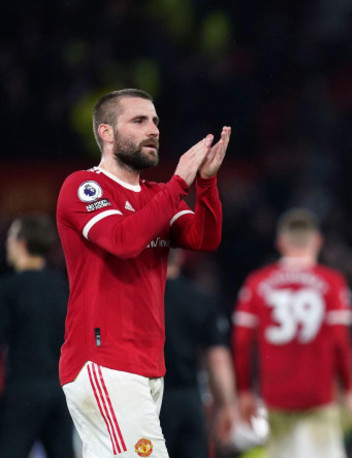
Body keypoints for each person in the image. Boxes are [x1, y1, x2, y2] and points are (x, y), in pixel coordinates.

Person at [56, 88, 230, 457]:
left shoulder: (156, 195)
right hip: (104, 360)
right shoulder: (84, 187)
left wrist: (206, 182)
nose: (153, 129)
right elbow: (123, 240)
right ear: (106, 132)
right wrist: (179, 183)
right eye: (138, 121)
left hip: (148, 363)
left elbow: (204, 238)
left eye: (154, 121)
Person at [231, 208, 352, 458]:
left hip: (275, 394)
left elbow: (241, 342)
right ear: (318, 241)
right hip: (319, 394)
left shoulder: (257, 283)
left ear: (280, 243)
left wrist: (244, 390)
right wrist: (350, 389)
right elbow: (340, 341)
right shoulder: (333, 282)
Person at [0, 215, 74, 458]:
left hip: (24, 389)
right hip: (61, 390)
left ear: (21, 243)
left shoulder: (9, 288)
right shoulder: (63, 286)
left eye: (10, 236)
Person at [161, 249, 238, 458]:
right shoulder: (199, 299)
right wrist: (226, 406)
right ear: (181, 256)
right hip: (189, 401)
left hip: (148, 400)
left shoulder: (137, 300)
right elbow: (217, 358)